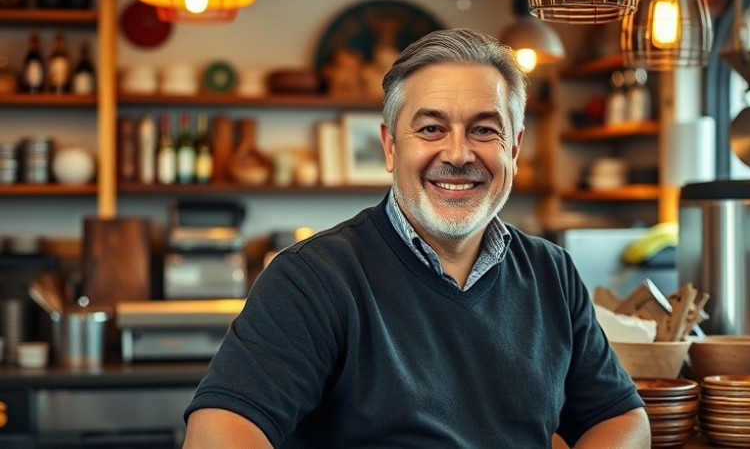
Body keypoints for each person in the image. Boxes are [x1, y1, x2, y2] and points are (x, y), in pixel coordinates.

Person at [182, 28, 650, 448]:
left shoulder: (552, 272)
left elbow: (620, 418)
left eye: (485, 130)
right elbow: (218, 431)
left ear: (516, 148)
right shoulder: (312, 278)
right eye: (431, 128)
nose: (459, 153)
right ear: (390, 146)